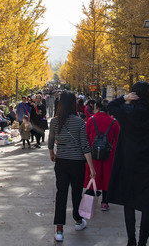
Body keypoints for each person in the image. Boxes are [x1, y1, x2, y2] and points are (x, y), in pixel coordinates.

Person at [107, 81, 149, 246]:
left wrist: (124, 97)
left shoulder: (126, 112)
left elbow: (110, 106)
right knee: (148, 205)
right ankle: (142, 242)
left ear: (134, 94)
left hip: (128, 164)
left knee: (128, 203)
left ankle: (131, 240)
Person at [48, 91, 96, 242]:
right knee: (76, 193)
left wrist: (52, 153)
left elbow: (50, 142)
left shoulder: (55, 122)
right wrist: (92, 168)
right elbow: (85, 146)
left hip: (61, 161)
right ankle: (78, 220)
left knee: (61, 194)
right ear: (74, 103)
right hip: (77, 163)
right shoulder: (80, 122)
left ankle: (59, 230)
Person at [84, 99, 120, 211]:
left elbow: (86, 136)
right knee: (107, 177)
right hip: (109, 153)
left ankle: (89, 203)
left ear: (98, 108)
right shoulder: (114, 122)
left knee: (94, 175)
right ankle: (105, 202)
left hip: (94, 153)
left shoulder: (91, 120)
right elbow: (118, 139)